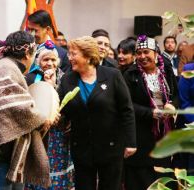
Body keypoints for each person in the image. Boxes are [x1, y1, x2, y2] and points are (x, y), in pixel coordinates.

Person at [0, 31, 56, 190]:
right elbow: (21, 109)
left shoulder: (3, 66)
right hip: (1, 150)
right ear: (27, 53)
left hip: (1, 148)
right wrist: (43, 119)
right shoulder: (8, 70)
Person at [58, 36, 136, 190]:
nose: (69, 58)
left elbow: (126, 110)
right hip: (82, 147)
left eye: (74, 54)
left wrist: (130, 142)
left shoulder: (112, 75)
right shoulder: (67, 79)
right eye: (69, 54)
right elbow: (62, 108)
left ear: (87, 56)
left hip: (111, 147)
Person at [123, 35, 178, 190]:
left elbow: (176, 94)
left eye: (146, 52)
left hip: (164, 135)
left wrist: (172, 105)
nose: (142, 56)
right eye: (139, 53)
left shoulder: (166, 70)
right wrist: (150, 112)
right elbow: (126, 105)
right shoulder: (130, 74)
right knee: (141, 179)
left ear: (156, 53)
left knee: (163, 175)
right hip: (141, 135)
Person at [25, 40, 74, 189]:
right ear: (38, 61)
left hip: (59, 134)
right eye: (46, 59)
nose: (50, 63)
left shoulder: (65, 78)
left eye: (53, 59)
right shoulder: (30, 78)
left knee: (58, 167)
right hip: (39, 133)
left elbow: (70, 103)